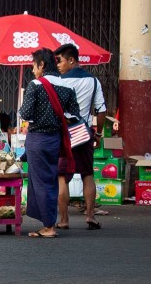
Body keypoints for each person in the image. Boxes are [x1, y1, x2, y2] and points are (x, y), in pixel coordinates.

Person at [19, 48, 80, 238]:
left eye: (33, 65)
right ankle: (48, 222)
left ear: (42, 65)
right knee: (51, 179)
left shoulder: (36, 84)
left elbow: (26, 113)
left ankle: (48, 226)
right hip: (55, 139)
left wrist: (40, 117)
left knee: (41, 181)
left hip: (37, 139)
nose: (32, 70)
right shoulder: (67, 86)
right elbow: (74, 115)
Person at [55, 43, 107, 230]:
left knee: (62, 176)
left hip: (64, 134)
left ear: (71, 60)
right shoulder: (93, 81)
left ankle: (64, 220)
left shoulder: (59, 81)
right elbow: (101, 110)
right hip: (84, 133)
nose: (58, 65)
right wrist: (98, 133)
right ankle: (90, 216)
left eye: (60, 61)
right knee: (87, 174)